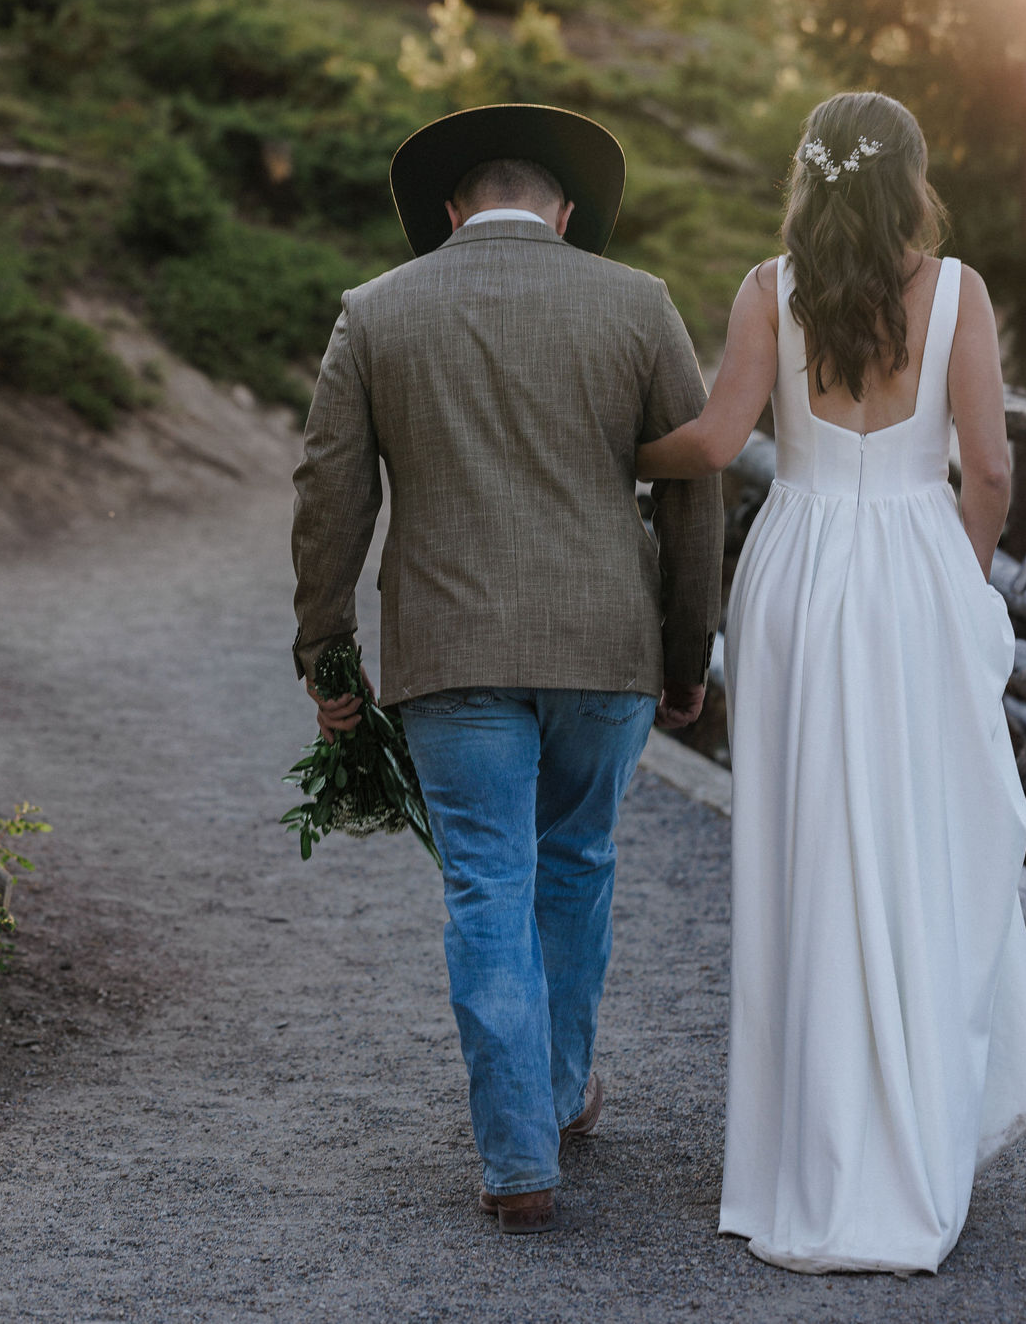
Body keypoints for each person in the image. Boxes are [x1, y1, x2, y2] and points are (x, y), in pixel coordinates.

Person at [636, 90, 1026, 1274]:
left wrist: (613, 447)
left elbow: (716, 444)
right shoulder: (959, 291)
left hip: (796, 576)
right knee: (924, 841)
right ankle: (912, 1116)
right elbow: (986, 469)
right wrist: (956, 590)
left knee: (804, 848)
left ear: (808, 177)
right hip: (915, 572)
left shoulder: (767, 289)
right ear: (909, 177)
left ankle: (803, 1153)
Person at [290, 104, 725, 1235]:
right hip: (605, 646)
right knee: (575, 859)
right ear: (563, 212)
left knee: (486, 881)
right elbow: (693, 486)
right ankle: (563, 1089)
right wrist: (687, 651)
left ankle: (517, 1155)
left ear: (449, 209)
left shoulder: (375, 311)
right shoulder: (637, 303)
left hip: (450, 654)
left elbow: (329, 491)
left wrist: (324, 649)